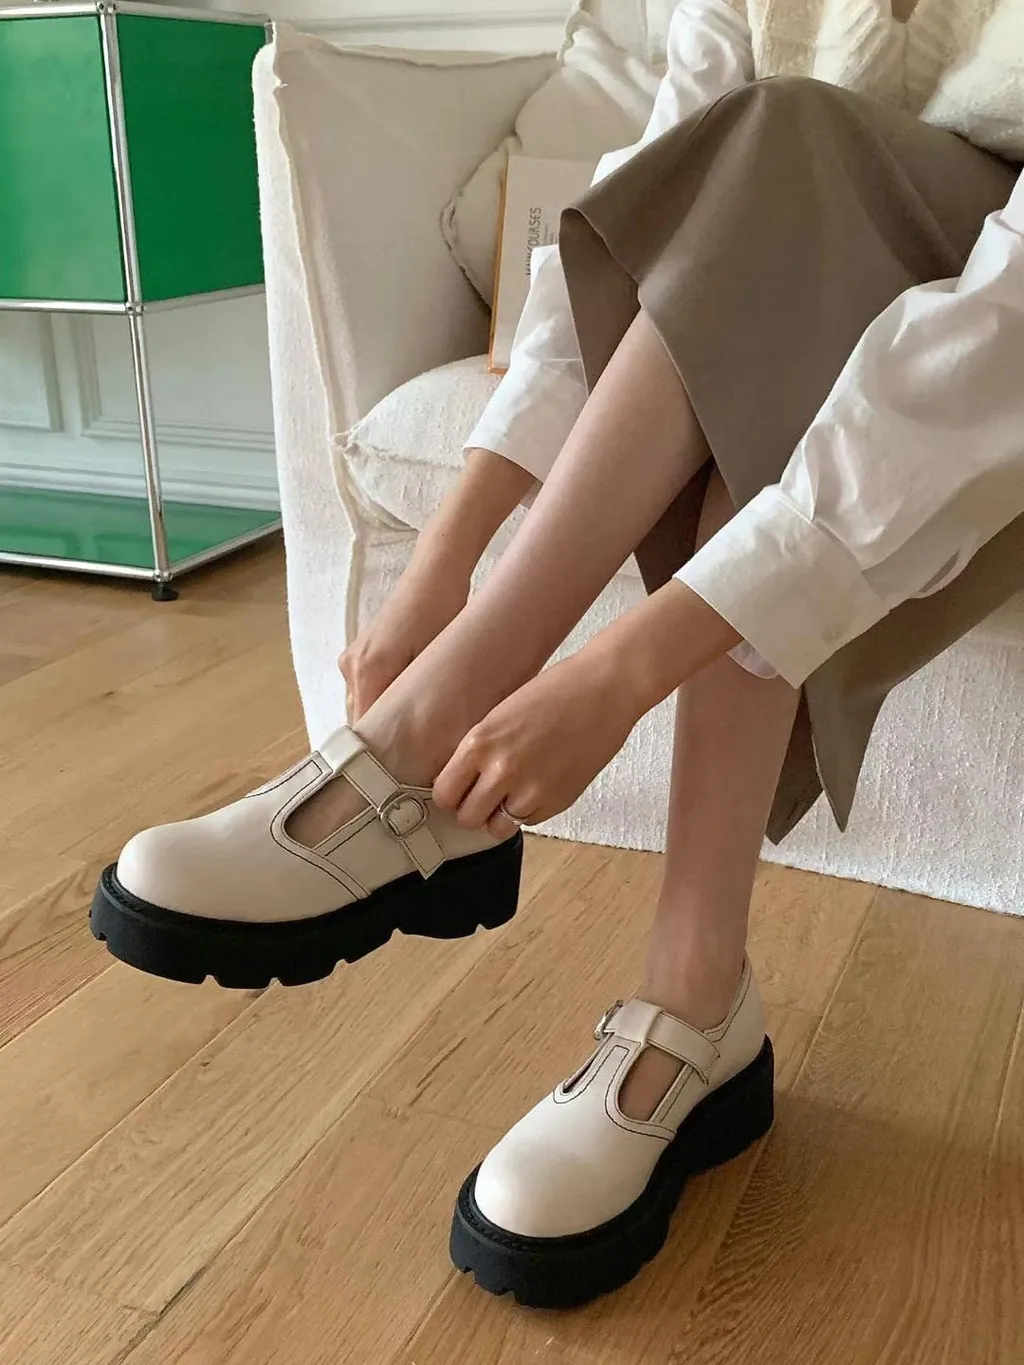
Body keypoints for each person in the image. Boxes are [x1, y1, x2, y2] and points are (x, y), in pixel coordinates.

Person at [92, 0, 1024, 1308]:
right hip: (810, 318)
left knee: (793, 146)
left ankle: (437, 768)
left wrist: (616, 672)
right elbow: (654, 227)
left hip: (990, 372)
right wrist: (445, 557)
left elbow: (992, 351)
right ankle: (695, 997)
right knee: (765, 151)